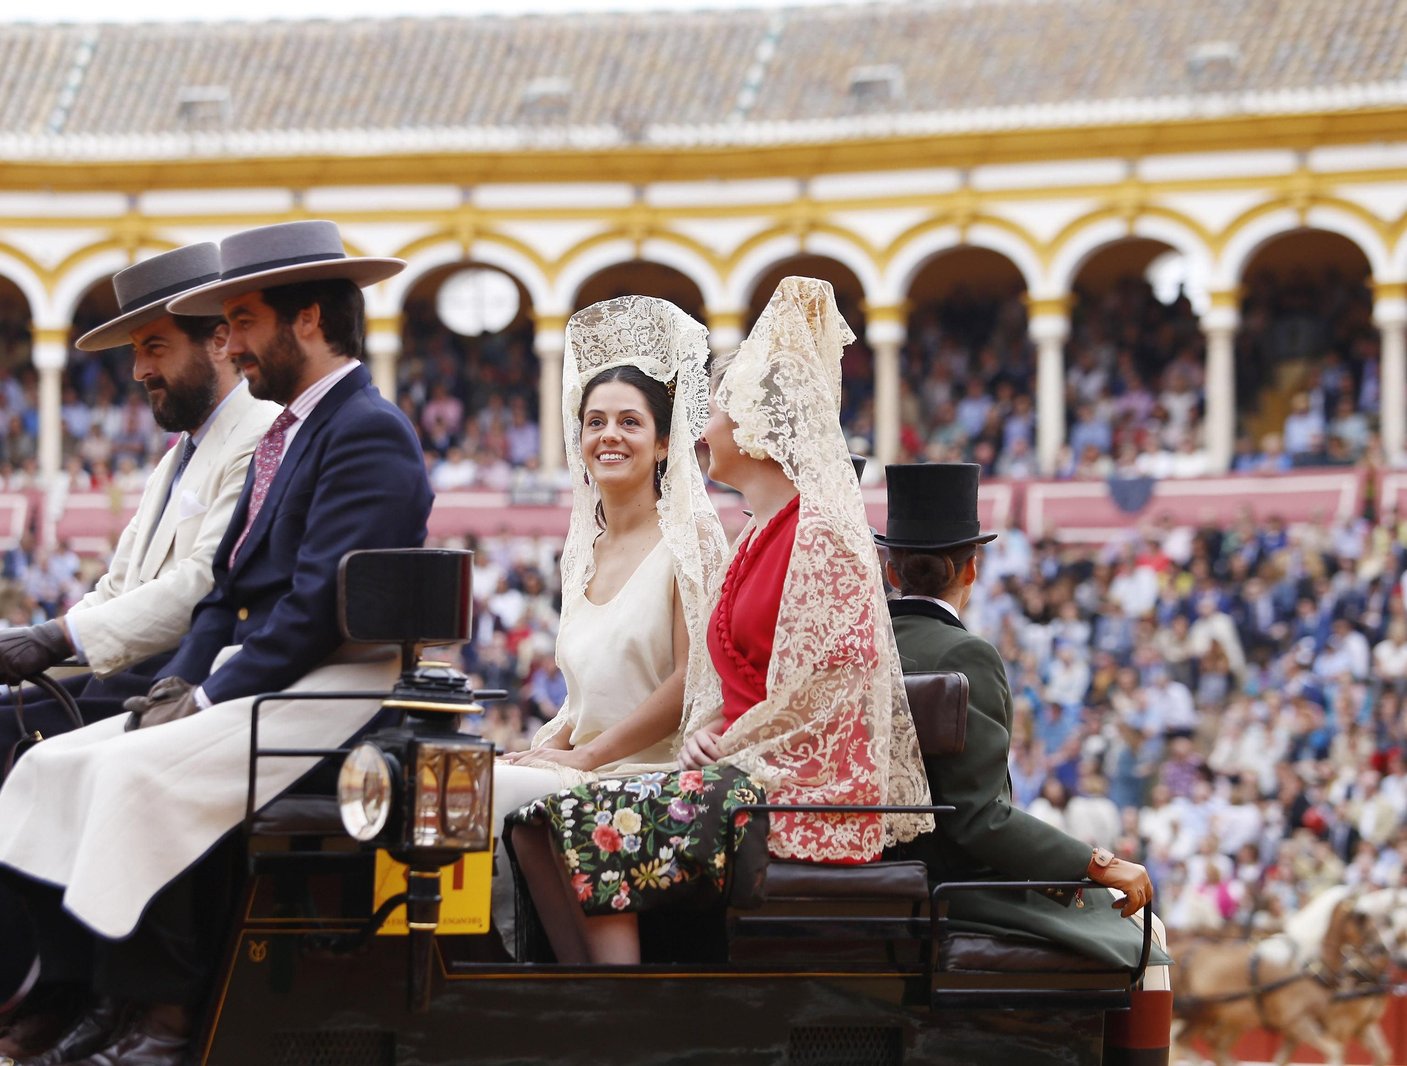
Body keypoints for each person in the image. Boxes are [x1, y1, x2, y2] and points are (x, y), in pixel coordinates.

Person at [0, 220, 430, 1066]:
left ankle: (163, 1017)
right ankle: (81, 995)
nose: (235, 346)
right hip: (264, 678)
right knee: (51, 763)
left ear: (307, 320)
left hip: (335, 687)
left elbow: (318, 608)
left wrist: (209, 696)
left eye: (246, 322)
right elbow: (223, 593)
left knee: (132, 770)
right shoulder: (287, 433)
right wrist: (173, 690)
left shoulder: (369, 428)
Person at [0, 243, 282, 1049]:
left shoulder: (260, 436)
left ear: (216, 345)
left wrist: (55, 640)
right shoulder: (179, 457)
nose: (139, 372)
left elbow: (198, 588)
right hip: (121, 674)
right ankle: (7, 983)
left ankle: (50, 990)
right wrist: (15, 659)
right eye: (136, 354)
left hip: (179, 685)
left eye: (154, 348)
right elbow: (116, 589)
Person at [510, 278, 931, 964]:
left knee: (578, 818)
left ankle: (621, 1014)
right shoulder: (758, 536)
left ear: (757, 428)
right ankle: (597, 1005)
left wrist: (735, 746)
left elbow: (828, 686)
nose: (702, 428)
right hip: (743, 773)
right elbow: (727, 676)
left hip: (798, 789)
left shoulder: (819, 533)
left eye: (719, 409)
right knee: (543, 820)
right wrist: (711, 731)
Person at [489, 295, 725, 950]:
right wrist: (552, 740)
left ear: (662, 443)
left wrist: (583, 755)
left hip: (651, 768)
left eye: (629, 421)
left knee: (485, 801)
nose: (609, 436)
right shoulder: (581, 552)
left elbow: (691, 681)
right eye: (595, 421)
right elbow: (589, 692)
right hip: (587, 763)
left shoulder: (691, 536)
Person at [878, 462, 1168, 983]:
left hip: (881, 874)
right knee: (1153, 936)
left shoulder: (860, 649)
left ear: (891, 571)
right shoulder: (967, 653)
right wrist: (1099, 863)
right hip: (952, 889)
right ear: (972, 570)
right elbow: (977, 819)